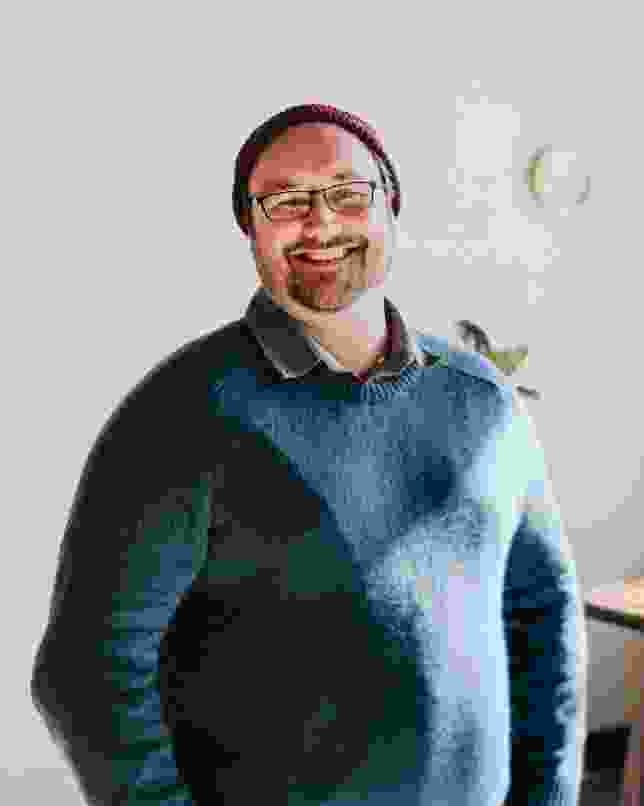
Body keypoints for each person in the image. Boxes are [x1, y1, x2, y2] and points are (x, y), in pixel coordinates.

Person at [30, 103, 588, 806]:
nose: (321, 224)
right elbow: (85, 673)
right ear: (251, 228)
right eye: (286, 201)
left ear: (391, 208)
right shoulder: (180, 416)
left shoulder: (483, 401)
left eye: (348, 194)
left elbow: (543, 613)